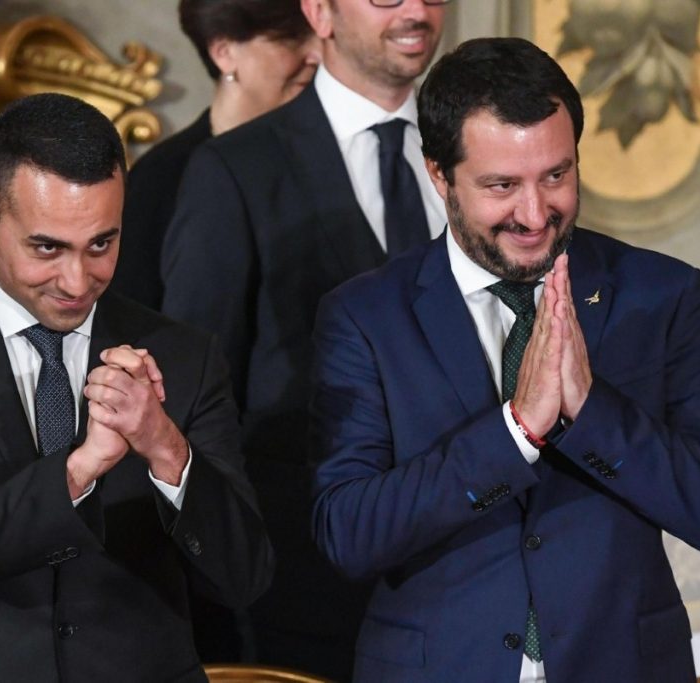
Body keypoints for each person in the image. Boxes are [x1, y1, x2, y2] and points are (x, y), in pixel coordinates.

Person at [309, 37, 700, 682]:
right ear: (439, 174)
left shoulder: (662, 296)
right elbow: (349, 533)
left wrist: (593, 412)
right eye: (502, 185)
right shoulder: (366, 316)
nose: (535, 214)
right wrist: (514, 432)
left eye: (556, 175)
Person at [0, 93, 274, 682]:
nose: (78, 281)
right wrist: (81, 468)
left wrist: (166, 449)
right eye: (47, 247)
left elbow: (244, 576)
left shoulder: (186, 355)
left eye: (102, 243)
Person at [161, 0, 452, 677]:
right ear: (319, 11)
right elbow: (196, 399)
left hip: (463, 581)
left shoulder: (471, 151)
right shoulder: (233, 170)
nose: (416, 10)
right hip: (300, 596)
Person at [111, 0, 320, 310]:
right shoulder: (162, 177)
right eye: (289, 38)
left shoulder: (330, 156)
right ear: (224, 52)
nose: (316, 54)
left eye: (321, 37)